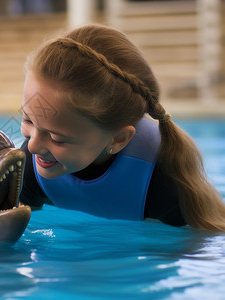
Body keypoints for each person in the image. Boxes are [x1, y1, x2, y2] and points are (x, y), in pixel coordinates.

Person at [18, 24, 225, 231]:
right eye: (28, 120)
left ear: (118, 140)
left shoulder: (162, 184)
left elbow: (192, 246)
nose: (33, 145)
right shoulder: (26, 167)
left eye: (56, 138)